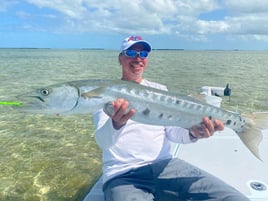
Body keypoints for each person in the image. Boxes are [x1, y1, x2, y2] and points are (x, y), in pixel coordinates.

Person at [93, 35, 249, 201]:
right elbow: (103, 142)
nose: (138, 58)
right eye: (131, 52)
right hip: (123, 174)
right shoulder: (106, 93)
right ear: (120, 58)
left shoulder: (159, 90)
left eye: (144, 54)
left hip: (166, 166)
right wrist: (116, 123)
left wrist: (194, 133)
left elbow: (173, 133)